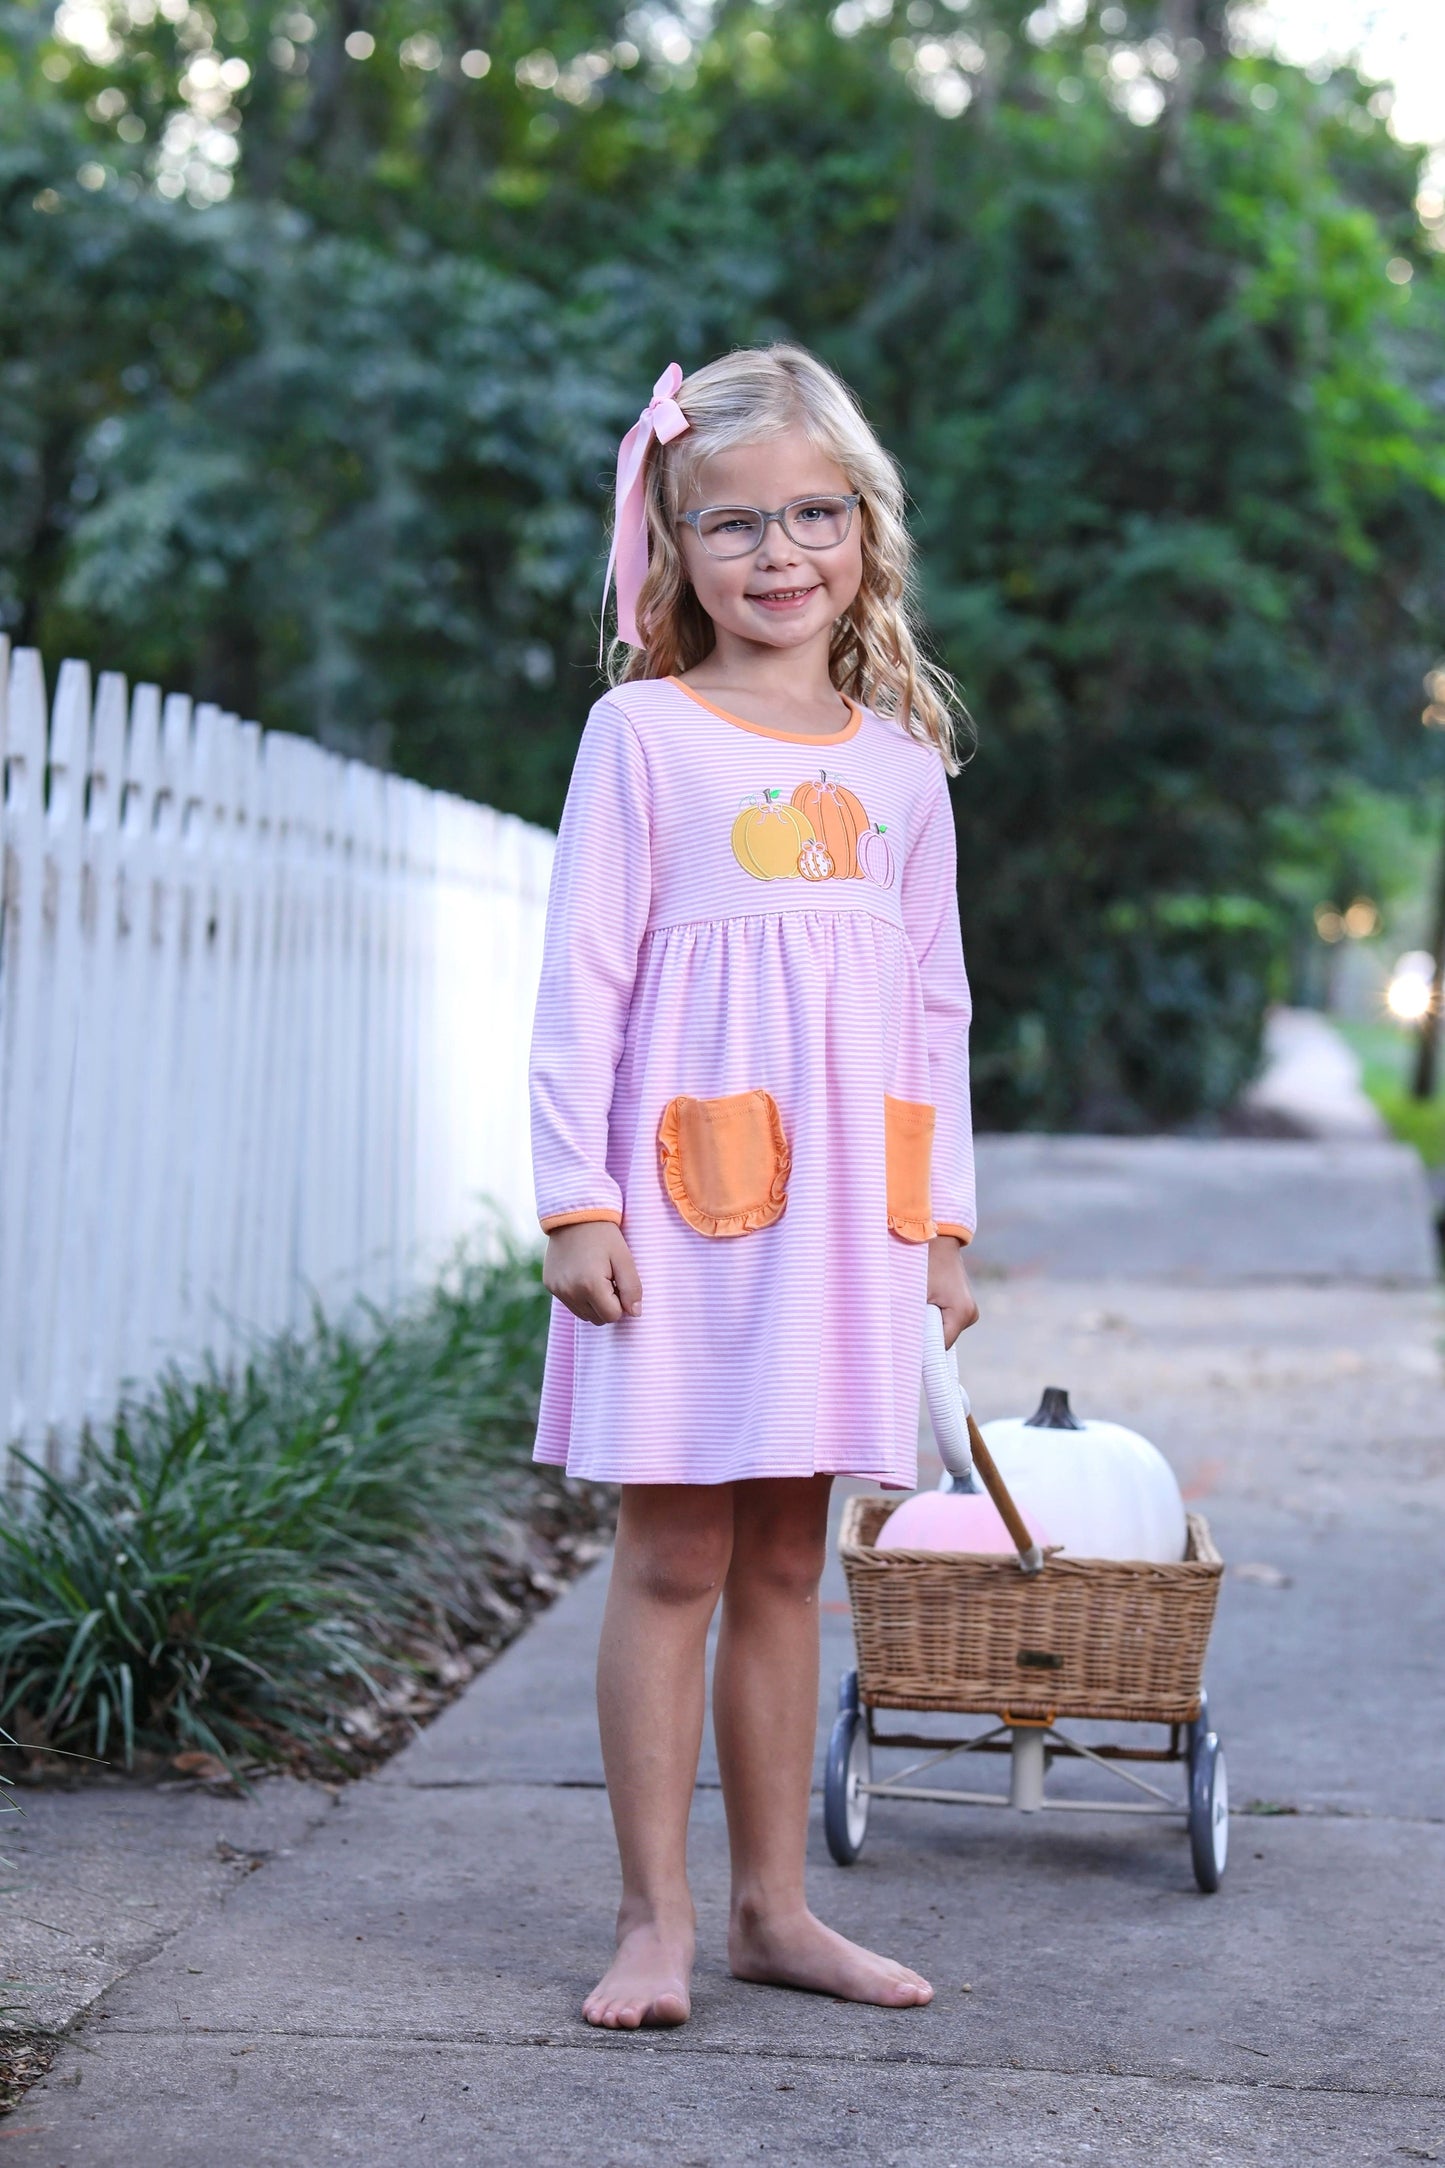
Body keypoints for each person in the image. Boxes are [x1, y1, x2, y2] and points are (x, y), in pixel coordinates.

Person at [528, 344, 979, 2031]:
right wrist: (576, 1197)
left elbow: (932, 1006)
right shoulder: (642, 735)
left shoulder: (900, 764)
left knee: (793, 1564)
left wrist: (941, 1227)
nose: (779, 553)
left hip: (850, 1224)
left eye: (813, 514)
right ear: (670, 542)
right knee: (673, 1559)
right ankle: (652, 1922)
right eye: (734, 524)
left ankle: (774, 1909)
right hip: (683, 1217)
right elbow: (582, 975)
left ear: (862, 526)